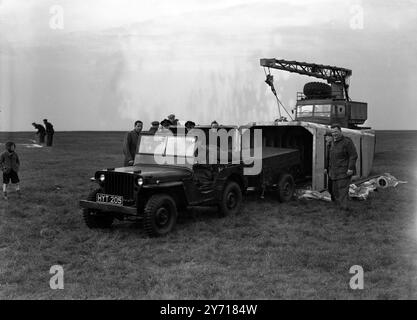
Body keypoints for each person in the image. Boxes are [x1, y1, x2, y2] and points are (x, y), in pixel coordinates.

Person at [325, 123, 358, 210]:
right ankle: (338, 206)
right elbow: (329, 157)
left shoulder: (347, 142)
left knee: (342, 190)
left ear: (340, 131)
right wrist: (326, 168)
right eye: (332, 132)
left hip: (344, 171)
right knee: (334, 190)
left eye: (336, 131)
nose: (334, 134)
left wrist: (350, 168)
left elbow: (353, 155)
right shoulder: (332, 143)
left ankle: (344, 209)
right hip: (333, 172)